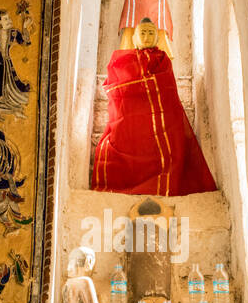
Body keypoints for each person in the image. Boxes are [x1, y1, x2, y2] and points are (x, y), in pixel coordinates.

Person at [92, 19, 216, 197]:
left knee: (171, 143)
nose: (147, 36)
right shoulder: (121, 61)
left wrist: (142, 87)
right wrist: (139, 89)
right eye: (142, 33)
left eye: (151, 33)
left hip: (158, 119)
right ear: (134, 38)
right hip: (130, 119)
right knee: (115, 140)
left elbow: (167, 91)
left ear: (158, 38)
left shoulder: (163, 60)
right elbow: (116, 91)